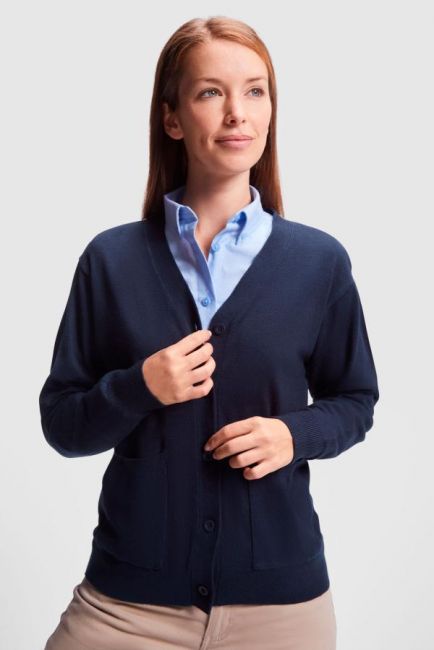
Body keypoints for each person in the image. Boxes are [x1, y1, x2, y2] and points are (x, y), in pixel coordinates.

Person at [41, 15, 379, 650]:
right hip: (127, 605)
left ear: (271, 111)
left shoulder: (319, 263)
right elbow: (62, 424)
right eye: (209, 92)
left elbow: (356, 402)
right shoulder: (111, 261)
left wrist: (293, 434)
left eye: (255, 91)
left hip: (280, 609)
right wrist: (139, 387)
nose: (236, 113)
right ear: (172, 118)